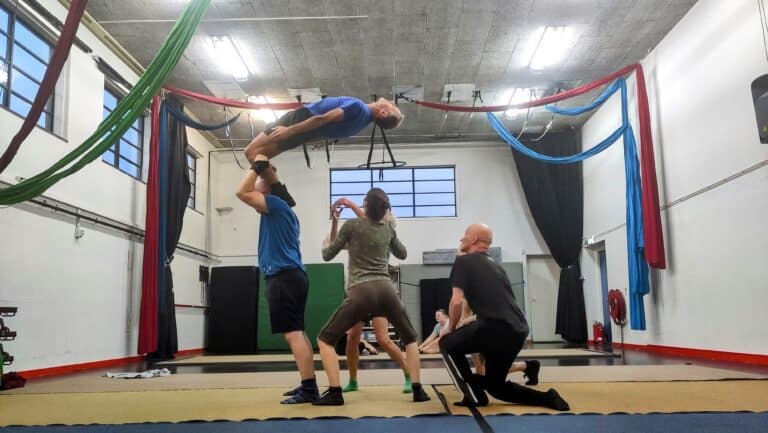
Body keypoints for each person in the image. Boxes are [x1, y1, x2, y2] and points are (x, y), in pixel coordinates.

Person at [314, 188, 430, 405]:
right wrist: (389, 236)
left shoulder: (353, 226)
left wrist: (336, 221)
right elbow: (403, 254)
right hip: (386, 290)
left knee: (325, 339)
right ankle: (418, 389)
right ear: (384, 209)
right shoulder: (386, 228)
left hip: (360, 291)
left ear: (365, 206)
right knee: (410, 339)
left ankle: (334, 392)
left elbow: (327, 254)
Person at [439, 224, 569, 410]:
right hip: (518, 329)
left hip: (495, 327)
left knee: (446, 343)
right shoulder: (495, 265)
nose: (461, 239)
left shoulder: (464, 262)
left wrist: (449, 329)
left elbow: (456, 301)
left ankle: (473, 394)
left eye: (464, 236)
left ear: (474, 239)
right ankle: (548, 398)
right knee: (496, 387)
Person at [235, 155, 318, 404]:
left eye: (260, 181)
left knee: (293, 334)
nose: (257, 184)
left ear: (268, 188)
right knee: (298, 333)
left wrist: (258, 165)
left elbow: (241, 192)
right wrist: (267, 170)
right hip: (294, 276)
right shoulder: (285, 210)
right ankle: (307, 383)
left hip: (283, 277)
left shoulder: (274, 204)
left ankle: (309, 389)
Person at [325, 197, 412, 394]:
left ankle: (408, 373)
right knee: (352, 337)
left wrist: (349, 204)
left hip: (378, 290)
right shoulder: (358, 230)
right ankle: (353, 380)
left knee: (383, 338)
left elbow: (367, 221)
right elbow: (333, 244)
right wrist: (335, 222)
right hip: (359, 289)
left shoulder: (386, 225)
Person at [244, 97, 403, 161]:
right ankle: (268, 185)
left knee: (250, 152)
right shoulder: (361, 124)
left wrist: (290, 130)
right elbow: (323, 135)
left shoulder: (358, 108)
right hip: (305, 133)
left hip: (301, 120)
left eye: (392, 106)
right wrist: (302, 138)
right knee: (259, 158)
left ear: (383, 112)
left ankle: (267, 189)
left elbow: (323, 118)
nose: (390, 101)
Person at [458, 302, 540, 385]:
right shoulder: (468, 296)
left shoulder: (490, 295)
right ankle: (529, 366)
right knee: (488, 370)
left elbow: (495, 313)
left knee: (489, 372)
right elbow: (464, 320)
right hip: (496, 327)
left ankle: (528, 366)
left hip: (509, 328)